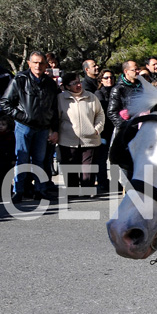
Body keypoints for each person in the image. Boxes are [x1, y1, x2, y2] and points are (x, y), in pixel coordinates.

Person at [0, 51, 61, 203]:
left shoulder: (50, 83)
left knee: (39, 160)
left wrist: (54, 129)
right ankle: (19, 191)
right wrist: (22, 116)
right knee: (23, 158)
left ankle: (40, 190)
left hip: (43, 127)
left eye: (41, 63)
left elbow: (54, 108)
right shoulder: (20, 79)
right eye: (35, 62)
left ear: (46, 65)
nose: (38, 66)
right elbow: (4, 103)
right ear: (29, 63)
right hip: (24, 126)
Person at [57, 72, 104, 193]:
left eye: (79, 82)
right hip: (68, 140)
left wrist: (97, 129)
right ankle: (72, 191)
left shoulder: (91, 97)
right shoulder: (60, 99)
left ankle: (87, 190)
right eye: (74, 83)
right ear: (67, 86)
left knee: (87, 170)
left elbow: (100, 114)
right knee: (70, 168)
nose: (78, 85)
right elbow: (55, 118)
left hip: (90, 139)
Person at [108, 60, 143, 134]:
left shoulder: (142, 86)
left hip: (142, 127)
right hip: (127, 130)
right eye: (134, 70)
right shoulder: (118, 89)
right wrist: (124, 126)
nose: (137, 71)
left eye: (138, 69)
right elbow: (111, 112)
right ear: (126, 71)